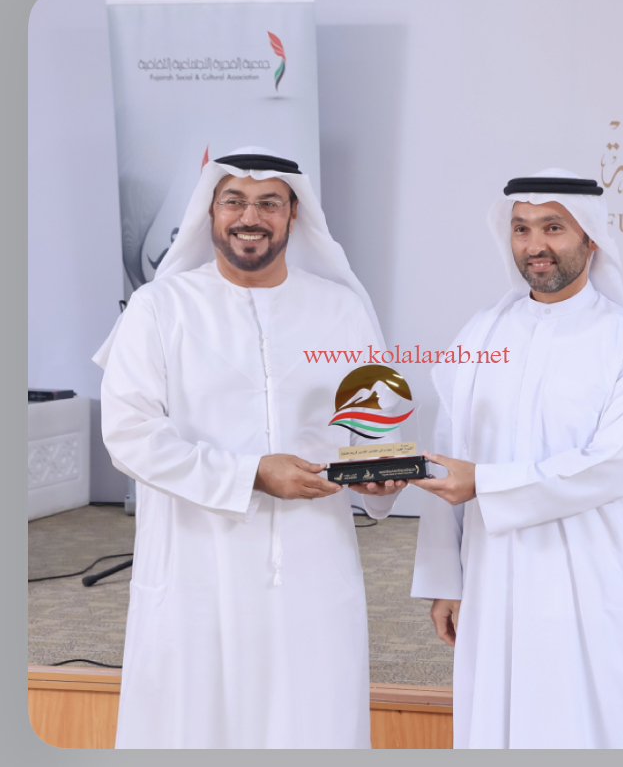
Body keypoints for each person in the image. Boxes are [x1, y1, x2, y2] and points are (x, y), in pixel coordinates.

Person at [94, 148, 404, 748]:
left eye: (269, 203)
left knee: (311, 722)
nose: (250, 217)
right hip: (195, 567)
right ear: (210, 212)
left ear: (294, 215)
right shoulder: (160, 307)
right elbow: (129, 434)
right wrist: (251, 474)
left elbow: (377, 428)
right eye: (234, 201)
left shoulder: (340, 308)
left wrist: (380, 474)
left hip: (313, 565)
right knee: (195, 725)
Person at [410, 169, 623, 748]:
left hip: (592, 576)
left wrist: (485, 483)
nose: (535, 245)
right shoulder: (479, 336)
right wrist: (444, 579)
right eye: (522, 228)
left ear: (591, 237)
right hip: (494, 574)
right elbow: (447, 458)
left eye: (553, 227)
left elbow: (616, 465)